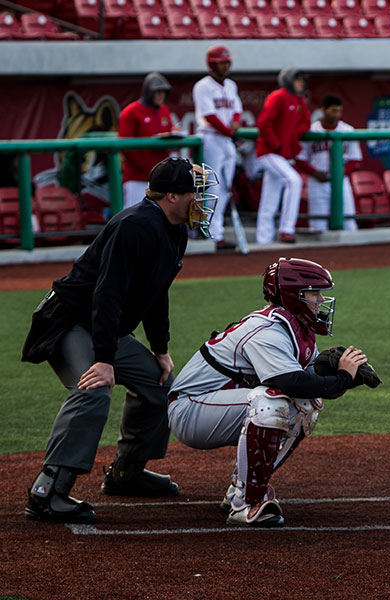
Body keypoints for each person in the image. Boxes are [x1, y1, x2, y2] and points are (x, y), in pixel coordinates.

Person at [21, 157, 219, 524]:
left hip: (98, 324)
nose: (201, 199)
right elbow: (107, 295)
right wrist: (104, 358)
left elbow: (156, 293)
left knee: (158, 384)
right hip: (66, 321)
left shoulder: (174, 229)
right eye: (195, 191)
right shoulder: (135, 226)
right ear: (172, 196)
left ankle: (127, 473)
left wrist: (160, 350)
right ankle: (47, 490)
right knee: (93, 388)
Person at [167, 258, 377, 527]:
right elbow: (292, 383)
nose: (321, 299)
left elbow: (309, 385)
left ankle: (238, 488)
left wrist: (346, 377)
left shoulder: (296, 329)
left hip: (219, 402)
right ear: (294, 296)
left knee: (306, 406)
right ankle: (247, 503)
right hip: (191, 408)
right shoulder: (267, 331)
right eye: (314, 292)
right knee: (272, 403)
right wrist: (343, 377)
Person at [193, 45, 242, 251]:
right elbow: (209, 115)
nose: (227, 65)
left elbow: (237, 110)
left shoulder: (231, 85)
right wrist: (229, 130)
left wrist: (236, 123)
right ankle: (207, 230)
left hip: (226, 140)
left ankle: (217, 231)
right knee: (212, 186)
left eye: (228, 62)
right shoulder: (202, 86)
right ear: (212, 64)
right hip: (211, 137)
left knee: (225, 187)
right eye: (223, 62)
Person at [255, 67, 311, 245]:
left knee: (269, 198)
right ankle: (286, 230)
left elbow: (306, 122)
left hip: (282, 154)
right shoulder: (278, 96)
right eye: (297, 79)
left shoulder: (299, 100)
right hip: (269, 152)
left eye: (302, 80)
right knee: (293, 181)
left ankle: (263, 239)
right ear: (288, 80)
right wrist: (276, 144)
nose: (301, 83)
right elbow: (263, 123)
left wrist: (295, 134)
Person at [296, 94, 363, 232]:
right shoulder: (312, 130)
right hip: (317, 181)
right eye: (333, 111)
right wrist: (314, 172)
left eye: (339, 111)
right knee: (317, 225)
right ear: (324, 110)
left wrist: (340, 173)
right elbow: (300, 158)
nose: (336, 114)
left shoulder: (347, 130)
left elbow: (355, 159)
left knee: (349, 223)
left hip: (341, 181)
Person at [118, 72, 179, 210]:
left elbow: (168, 135)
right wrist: (148, 169)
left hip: (161, 180)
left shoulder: (164, 111)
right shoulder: (131, 111)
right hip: (137, 178)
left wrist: (174, 134)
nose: (160, 96)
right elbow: (125, 146)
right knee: (134, 218)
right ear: (148, 92)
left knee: (161, 219)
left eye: (163, 92)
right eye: (157, 92)